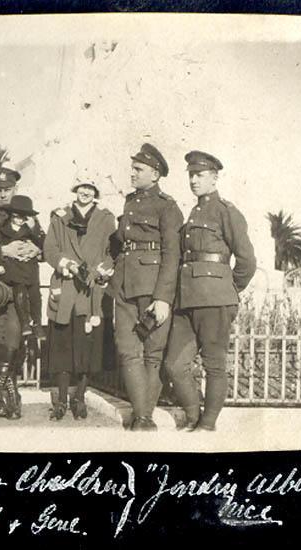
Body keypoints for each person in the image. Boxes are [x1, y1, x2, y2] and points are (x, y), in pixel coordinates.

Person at [164, 151, 256, 431]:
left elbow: (247, 261)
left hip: (215, 300)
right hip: (187, 300)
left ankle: (208, 424)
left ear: (215, 178)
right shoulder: (193, 213)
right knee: (174, 365)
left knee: (214, 365)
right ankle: (193, 416)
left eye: (200, 175)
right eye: (191, 175)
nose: (194, 180)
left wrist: (228, 290)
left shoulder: (227, 212)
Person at [108, 143, 184, 431]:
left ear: (155, 174)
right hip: (124, 286)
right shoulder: (130, 202)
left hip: (153, 288)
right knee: (127, 349)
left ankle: (142, 419)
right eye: (133, 168)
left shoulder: (167, 207)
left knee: (152, 353)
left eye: (138, 169)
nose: (132, 173)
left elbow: (172, 254)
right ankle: (143, 416)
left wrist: (163, 298)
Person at [43, 181, 116, 420]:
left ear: (96, 193)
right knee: (62, 347)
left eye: (91, 189)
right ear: (75, 190)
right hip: (65, 289)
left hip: (91, 290)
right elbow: (50, 249)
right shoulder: (60, 217)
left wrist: (101, 271)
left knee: (88, 348)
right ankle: (61, 400)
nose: (86, 192)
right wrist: (67, 265)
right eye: (82, 188)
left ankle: (80, 398)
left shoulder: (106, 219)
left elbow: (112, 252)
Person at [0, 168, 42, 418]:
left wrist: (35, 251)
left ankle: (0, 394)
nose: (3, 194)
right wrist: (6, 250)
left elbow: (42, 248)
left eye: (7, 190)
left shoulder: (27, 218)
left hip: (19, 290)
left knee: (12, 342)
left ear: (15, 190)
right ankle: (5, 396)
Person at [0, 195, 45, 337]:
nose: (20, 220)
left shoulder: (33, 229)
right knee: (20, 291)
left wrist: (36, 240)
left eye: (24, 217)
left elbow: (46, 244)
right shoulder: (1, 228)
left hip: (30, 267)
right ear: (11, 214)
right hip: (13, 268)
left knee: (36, 295)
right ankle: (25, 321)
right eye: (17, 216)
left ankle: (37, 323)